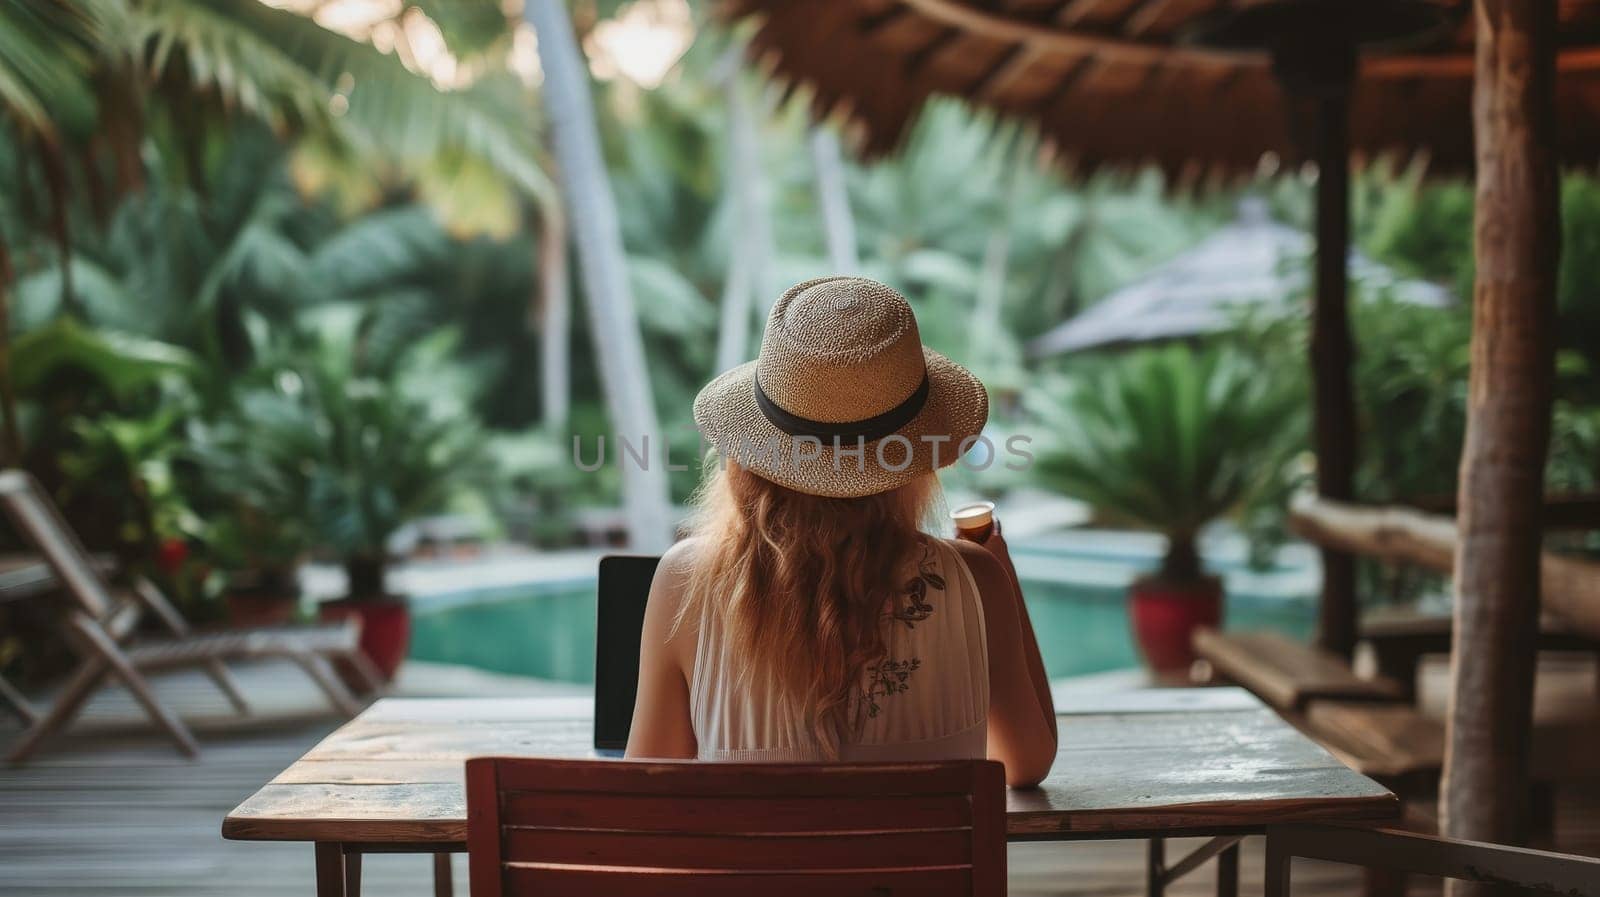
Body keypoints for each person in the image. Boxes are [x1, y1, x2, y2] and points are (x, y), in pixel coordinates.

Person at [626, 276, 1057, 787]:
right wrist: (998, 574)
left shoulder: (686, 581)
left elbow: (647, 787)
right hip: (916, 870)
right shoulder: (975, 581)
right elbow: (1027, 764)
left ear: (751, 455)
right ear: (914, 459)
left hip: (754, 871)